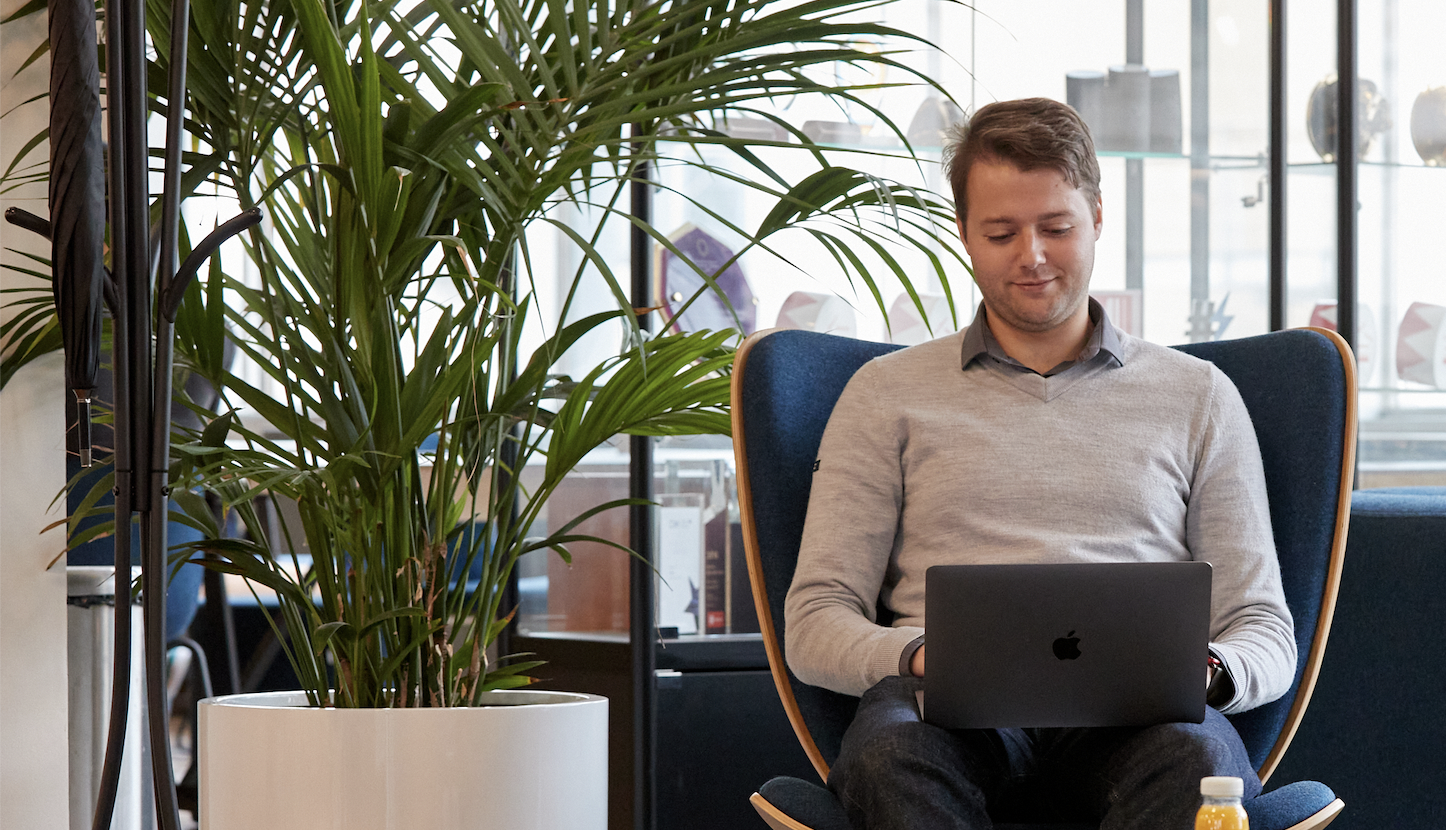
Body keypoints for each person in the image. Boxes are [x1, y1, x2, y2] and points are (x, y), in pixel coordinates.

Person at [783, 97, 1296, 830]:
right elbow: (814, 621)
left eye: (1056, 227)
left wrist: (1211, 671)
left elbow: (1262, 626)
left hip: (1143, 721)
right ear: (964, 234)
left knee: (1201, 765)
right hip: (945, 718)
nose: (1031, 255)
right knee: (888, 758)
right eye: (1000, 232)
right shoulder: (884, 396)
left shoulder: (1200, 397)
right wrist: (929, 657)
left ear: (1096, 217)